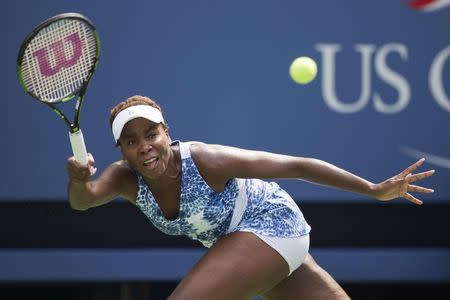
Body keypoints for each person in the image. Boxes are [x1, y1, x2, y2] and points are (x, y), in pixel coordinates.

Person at [67, 95, 435, 300]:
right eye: (131, 141)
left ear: (167, 132)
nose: (144, 147)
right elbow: (83, 201)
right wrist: (77, 179)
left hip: (269, 223)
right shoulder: (123, 178)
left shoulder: (206, 160)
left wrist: (372, 189)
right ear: (122, 150)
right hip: (247, 245)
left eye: (151, 134)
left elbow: (299, 166)